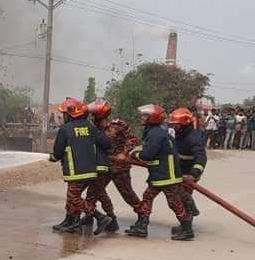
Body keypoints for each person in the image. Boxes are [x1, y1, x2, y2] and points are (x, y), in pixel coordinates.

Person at [125, 103, 193, 241]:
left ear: (153, 118)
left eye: (145, 116)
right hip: (161, 174)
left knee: (174, 203)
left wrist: (135, 154)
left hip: (166, 176)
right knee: (148, 197)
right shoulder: (158, 132)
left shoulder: (155, 134)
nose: (142, 118)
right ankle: (142, 226)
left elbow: (148, 154)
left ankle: (187, 230)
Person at [49, 97, 112, 234]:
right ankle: (72, 222)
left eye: (64, 114)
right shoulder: (90, 127)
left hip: (75, 171)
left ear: (71, 114)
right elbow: (107, 143)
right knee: (71, 196)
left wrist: (53, 157)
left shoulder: (65, 129)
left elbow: (58, 152)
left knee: (74, 197)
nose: (63, 116)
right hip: (90, 171)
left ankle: (100, 217)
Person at [84, 98, 141, 233]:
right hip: (103, 166)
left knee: (128, 194)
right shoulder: (92, 127)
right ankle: (100, 218)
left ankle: (142, 217)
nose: (91, 116)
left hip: (119, 168)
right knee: (93, 193)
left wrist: (124, 153)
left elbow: (132, 139)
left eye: (93, 114)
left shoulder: (118, 125)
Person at [169, 107, 206, 220]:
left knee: (183, 198)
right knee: (180, 197)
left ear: (185, 124)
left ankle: (187, 223)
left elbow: (201, 157)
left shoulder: (193, 138)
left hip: (190, 172)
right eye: (173, 125)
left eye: (176, 125)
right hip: (180, 171)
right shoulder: (179, 135)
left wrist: (193, 174)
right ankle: (189, 215)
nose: (174, 128)